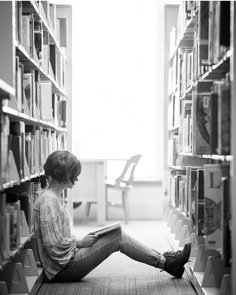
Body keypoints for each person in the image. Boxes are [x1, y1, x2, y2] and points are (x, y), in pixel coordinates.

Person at [34, 150, 191, 283]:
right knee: (117, 237)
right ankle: (167, 263)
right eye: (73, 174)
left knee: (115, 233)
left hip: (66, 262)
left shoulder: (52, 197)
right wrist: (80, 243)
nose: (76, 178)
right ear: (61, 173)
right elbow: (52, 246)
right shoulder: (48, 202)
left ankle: (165, 261)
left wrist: (79, 243)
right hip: (63, 269)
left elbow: (58, 238)